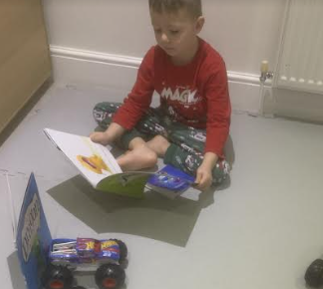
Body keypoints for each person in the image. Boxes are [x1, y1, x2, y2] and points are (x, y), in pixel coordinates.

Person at [90, 0, 231, 191]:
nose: (164, 38)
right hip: (163, 121)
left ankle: (162, 147)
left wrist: (206, 165)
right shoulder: (154, 57)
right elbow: (136, 102)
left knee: (218, 170)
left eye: (174, 31)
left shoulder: (212, 66)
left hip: (196, 131)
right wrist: (109, 135)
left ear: (197, 26)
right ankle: (141, 148)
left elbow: (219, 121)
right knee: (102, 110)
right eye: (157, 30)